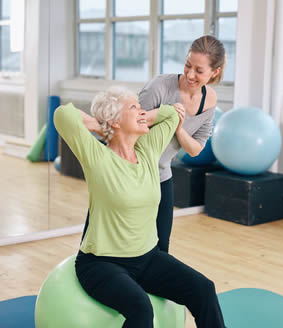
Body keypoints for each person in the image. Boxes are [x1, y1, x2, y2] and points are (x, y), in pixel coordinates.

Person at [54, 86, 225, 328]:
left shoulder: (147, 151)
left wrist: (142, 115)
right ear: (114, 121)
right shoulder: (97, 157)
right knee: (141, 308)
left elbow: (172, 114)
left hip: (147, 258)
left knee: (204, 289)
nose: (143, 111)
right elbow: (62, 114)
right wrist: (98, 123)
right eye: (134, 107)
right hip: (102, 264)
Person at [139, 35, 226, 253]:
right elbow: (129, 124)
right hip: (132, 173)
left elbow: (195, 149)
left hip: (161, 174)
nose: (189, 74)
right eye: (187, 65)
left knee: (161, 246)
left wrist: (177, 127)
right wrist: (165, 115)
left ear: (215, 72)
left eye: (199, 70)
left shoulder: (209, 100)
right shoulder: (160, 86)